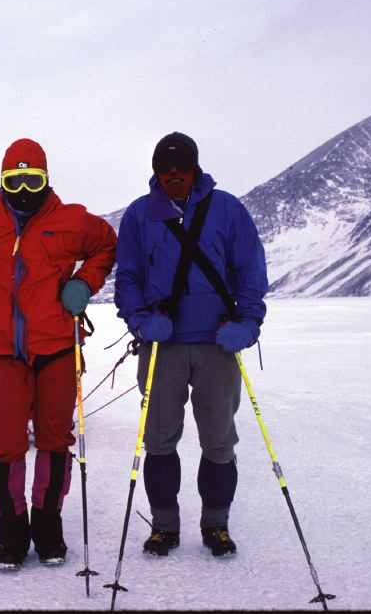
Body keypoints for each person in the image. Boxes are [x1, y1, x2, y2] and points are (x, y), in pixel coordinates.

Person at [0, 138, 117, 569]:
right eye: (14, 180)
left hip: (57, 348)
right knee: (5, 443)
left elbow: (106, 246)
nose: (23, 190)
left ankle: (47, 524)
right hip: (6, 353)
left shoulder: (72, 220)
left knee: (55, 441)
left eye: (33, 180)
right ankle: (11, 529)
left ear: (46, 179)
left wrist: (85, 283)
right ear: (2, 180)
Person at [113, 132, 267, 559]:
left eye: (182, 167)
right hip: (162, 346)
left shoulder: (227, 209)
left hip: (218, 343)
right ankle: (164, 526)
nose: (174, 175)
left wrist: (248, 323)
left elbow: (250, 271)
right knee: (159, 440)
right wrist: (141, 321)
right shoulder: (139, 215)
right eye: (165, 168)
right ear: (156, 171)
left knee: (219, 440)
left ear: (195, 168)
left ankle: (216, 524)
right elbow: (127, 278)